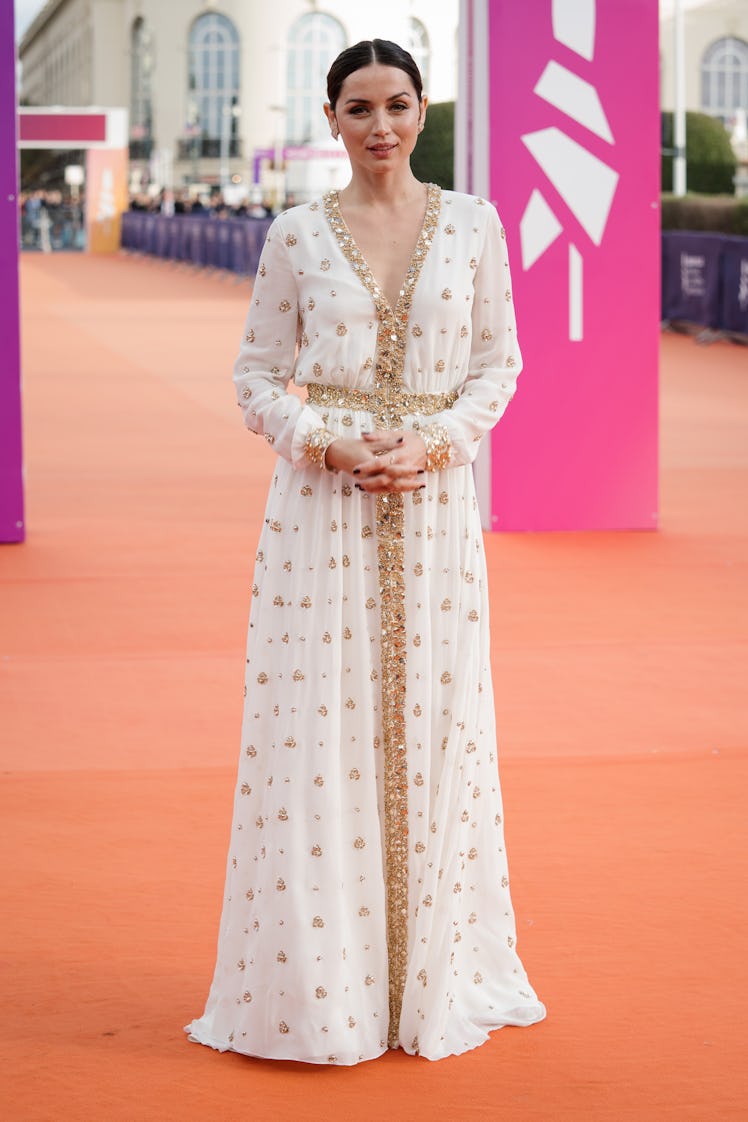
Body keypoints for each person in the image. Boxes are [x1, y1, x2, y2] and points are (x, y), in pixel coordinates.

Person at [185, 38, 545, 1066]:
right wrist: (325, 440)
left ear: (422, 111)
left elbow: (497, 363)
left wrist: (434, 442)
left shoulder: (474, 226)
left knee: (438, 723)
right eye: (357, 108)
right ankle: (321, 992)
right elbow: (255, 375)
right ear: (333, 120)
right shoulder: (295, 235)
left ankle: (433, 978)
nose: (379, 125)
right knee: (315, 730)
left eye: (396, 104)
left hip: (435, 510)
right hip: (319, 513)